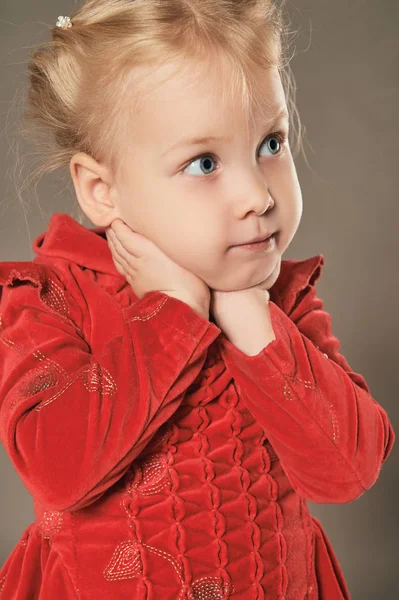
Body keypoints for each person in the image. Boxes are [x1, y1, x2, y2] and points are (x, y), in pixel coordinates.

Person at [0, 1, 395, 598]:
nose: (258, 195)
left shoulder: (280, 302)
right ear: (102, 191)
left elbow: (348, 470)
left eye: (270, 143)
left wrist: (251, 320)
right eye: (204, 162)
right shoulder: (51, 299)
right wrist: (172, 313)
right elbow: (60, 471)